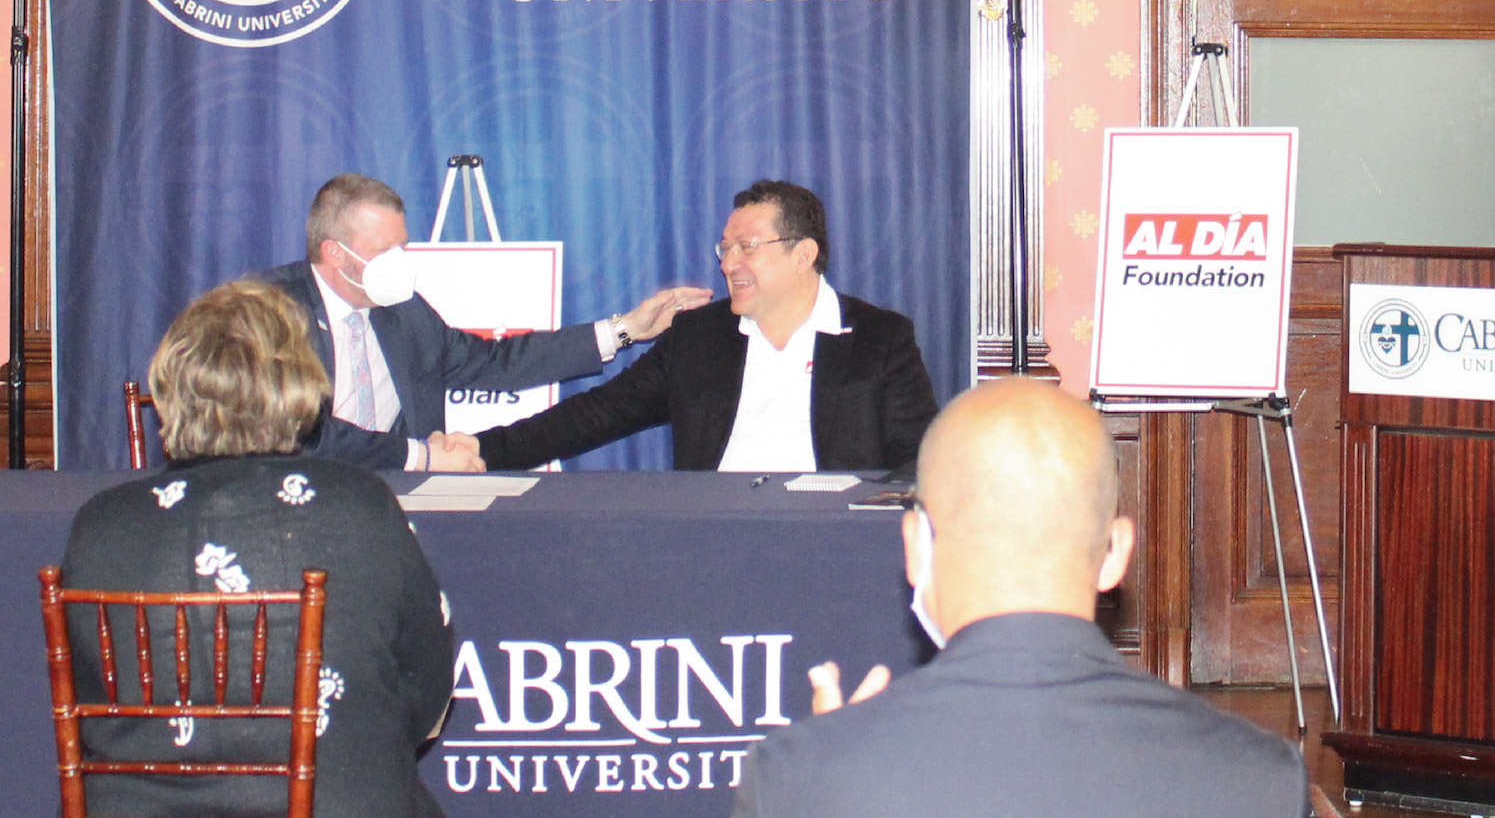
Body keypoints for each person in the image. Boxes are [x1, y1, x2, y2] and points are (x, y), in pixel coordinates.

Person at [730, 378, 1308, 818]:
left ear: (913, 544)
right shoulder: (1260, 779)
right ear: (1116, 552)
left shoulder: (799, 777)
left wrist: (832, 765)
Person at [59, 280, 455, 817]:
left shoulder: (100, 525)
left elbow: (92, 708)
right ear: (301, 385)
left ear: (172, 389)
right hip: (339, 800)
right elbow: (428, 689)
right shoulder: (363, 506)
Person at [471, 179, 938, 472]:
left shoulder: (880, 339)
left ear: (804, 255)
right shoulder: (700, 337)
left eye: (747, 247)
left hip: (830, 545)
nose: (729, 263)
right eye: (725, 248)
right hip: (713, 540)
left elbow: (915, 459)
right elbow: (595, 415)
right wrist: (479, 451)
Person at [261, 173, 709, 471]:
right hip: (298, 502)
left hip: (393, 509)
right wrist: (424, 456)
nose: (400, 264)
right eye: (385, 252)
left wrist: (625, 328)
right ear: (334, 253)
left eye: (403, 247)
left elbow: (495, 362)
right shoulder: (266, 315)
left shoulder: (403, 309)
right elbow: (305, 432)